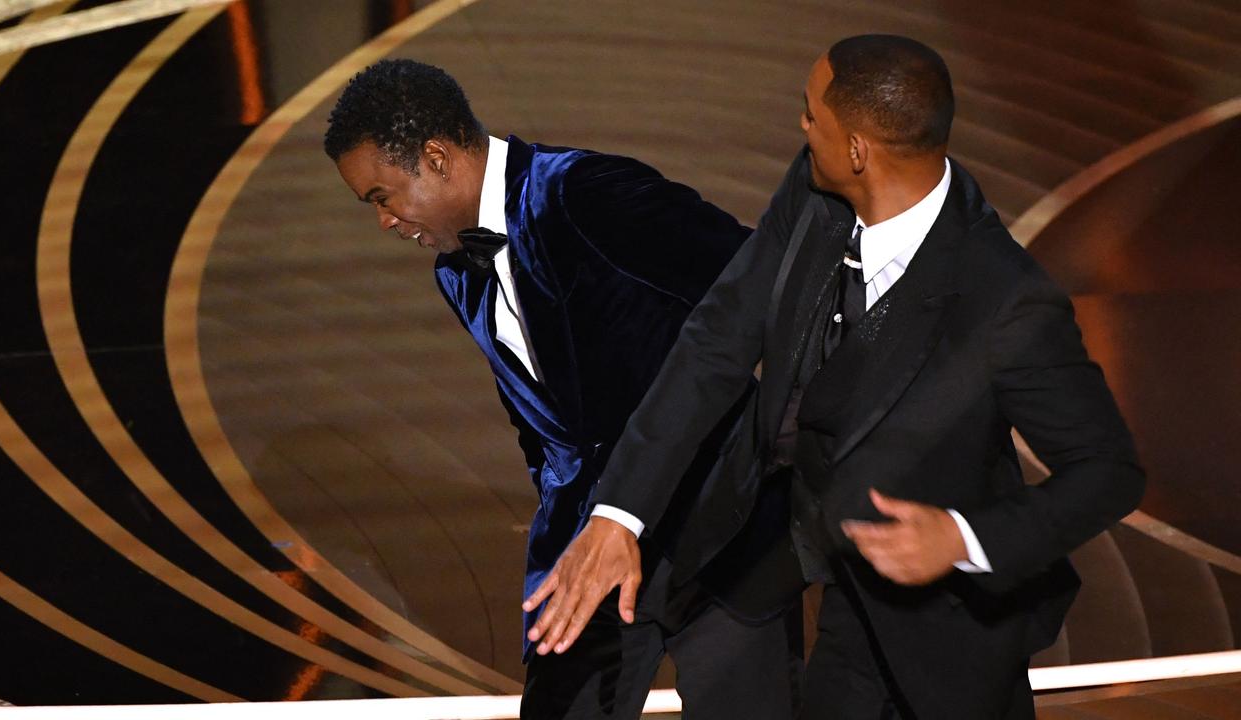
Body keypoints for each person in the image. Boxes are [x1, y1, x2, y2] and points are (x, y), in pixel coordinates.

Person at [525, 35, 1146, 719]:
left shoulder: (1003, 299)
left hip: (947, 631)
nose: (801, 127)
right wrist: (619, 515)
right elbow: (716, 343)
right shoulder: (816, 187)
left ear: (857, 150)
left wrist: (963, 538)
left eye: (811, 115)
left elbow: (1108, 471)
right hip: (825, 574)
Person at [324, 59, 802, 719]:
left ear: (435, 157)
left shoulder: (585, 193)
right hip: (586, 549)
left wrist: (790, 443)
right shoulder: (457, 274)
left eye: (382, 197)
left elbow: (758, 288)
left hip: (723, 533)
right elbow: (542, 424)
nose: (384, 221)